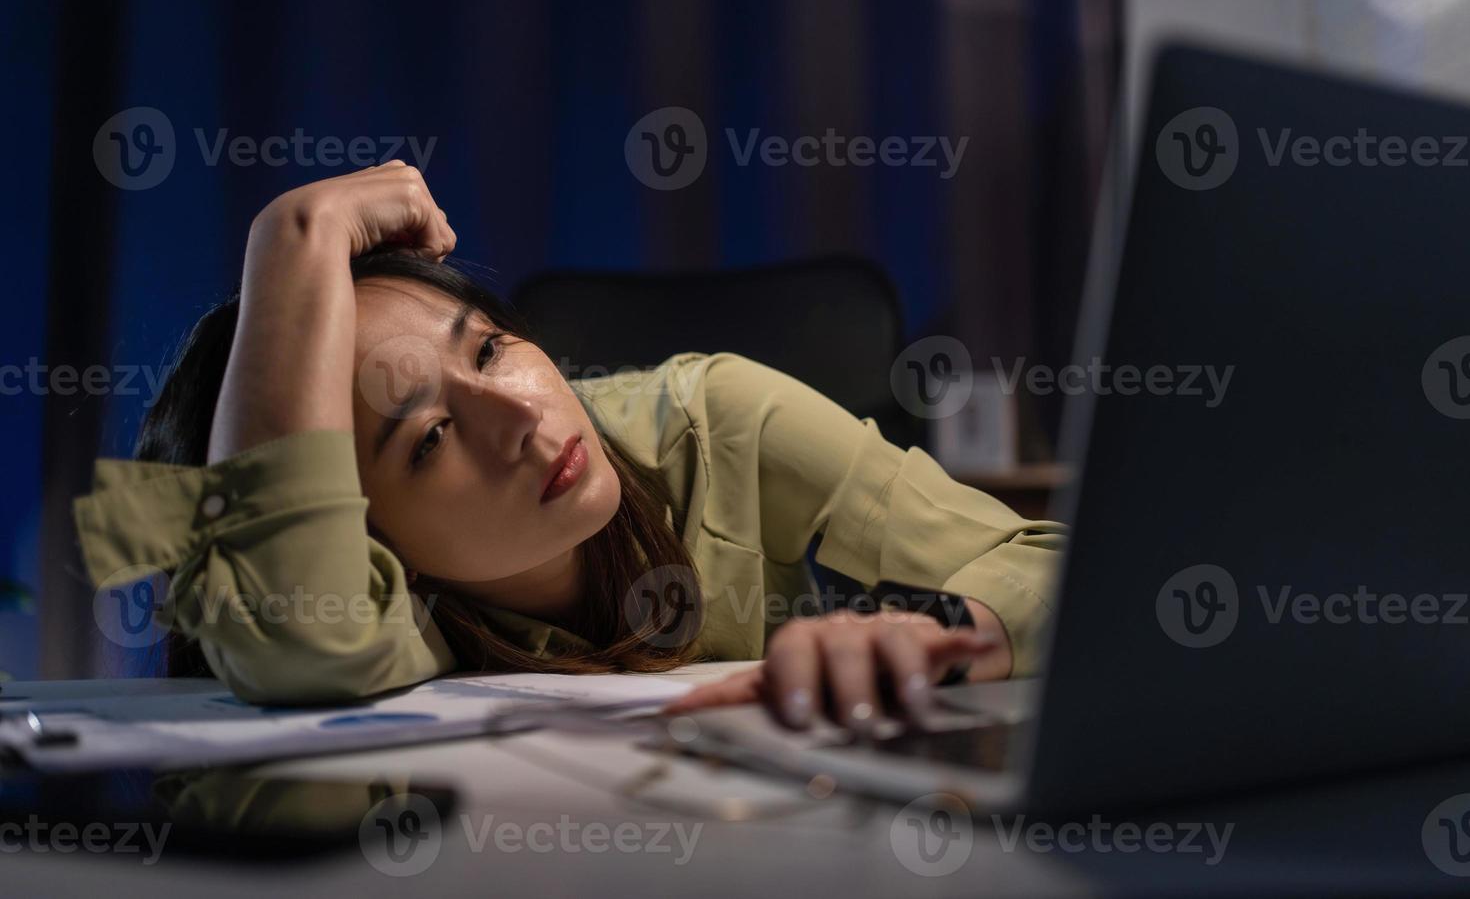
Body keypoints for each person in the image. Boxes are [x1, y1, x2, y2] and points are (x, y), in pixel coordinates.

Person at [71, 162, 1067, 733]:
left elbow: (1057, 559)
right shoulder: (384, 603)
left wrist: (930, 620)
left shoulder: (714, 414)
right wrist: (294, 231)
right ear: (366, 542)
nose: (522, 414)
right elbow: (286, 631)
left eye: (495, 349)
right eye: (428, 439)